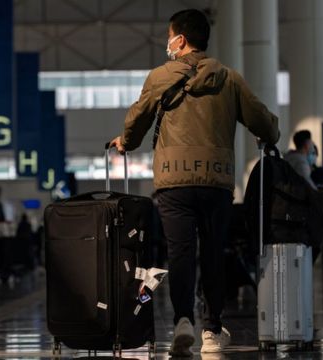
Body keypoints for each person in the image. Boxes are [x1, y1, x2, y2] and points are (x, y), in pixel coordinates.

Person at [109, 9, 279, 356]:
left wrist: (125, 142)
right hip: (216, 179)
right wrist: (271, 132)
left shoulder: (159, 77)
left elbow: (137, 121)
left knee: (181, 252)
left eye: (169, 36)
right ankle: (212, 331)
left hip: (173, 180)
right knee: (214, 251)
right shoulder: (229, 78)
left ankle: (183, 320)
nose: (167, 43)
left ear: (180, 40)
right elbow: (264, 123)